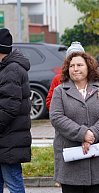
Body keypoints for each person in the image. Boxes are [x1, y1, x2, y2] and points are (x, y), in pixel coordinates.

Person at [49, 52, 99, 193]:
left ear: (88, 67)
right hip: (70, 160)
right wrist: (82, 134)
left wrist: (92, 134)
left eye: (80, 65)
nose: (75, 69)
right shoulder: (60, 91)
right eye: (72, 66)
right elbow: (56, 117)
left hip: (97, 158)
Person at [0, 28, 31, 193]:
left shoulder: (11, 69)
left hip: (9, 139)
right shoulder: (6, 67)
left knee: (13, 183)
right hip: (6, 139)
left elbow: (10, 106)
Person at [46, 41, 85, 110]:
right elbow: (50, 102)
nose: (75, 67)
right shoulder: (58, 79)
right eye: (71, 58)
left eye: (79, 63)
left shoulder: (90, 79)